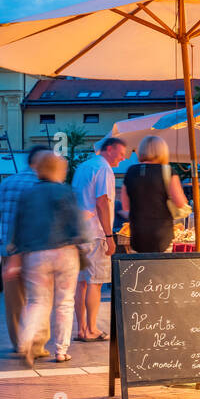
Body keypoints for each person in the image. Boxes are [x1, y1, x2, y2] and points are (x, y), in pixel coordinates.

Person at [11, 153, 86, 364]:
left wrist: (16, 255)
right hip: (65, 252)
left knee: (37, 301)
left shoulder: (27, 194)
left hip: (36, 254)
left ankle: (27, 342)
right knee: (65, 303)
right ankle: (61, 351)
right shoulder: (66, 191)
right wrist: (83, 243)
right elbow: (76, 222)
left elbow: (18, 226)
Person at [0, 147, 50, 355]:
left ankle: (19, 343)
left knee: (14, 300)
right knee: (41, 297)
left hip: (9, 249)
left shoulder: (7, 183)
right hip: (39, 250)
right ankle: (37, 344)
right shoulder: (45, 184)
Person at [72, 137, 129, 342]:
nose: (122, 159)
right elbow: (102, 202)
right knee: (94, 282)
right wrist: (109, 235)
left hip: (78, 231)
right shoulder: (104, 169)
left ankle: (81, 328)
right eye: (121, 154)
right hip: (95, 233)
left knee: (81, 283)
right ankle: (92, 329)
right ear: (110, 149)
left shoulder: (83, 167)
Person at [120, 136, 188, 253]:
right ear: (163, 151)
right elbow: (180, 202)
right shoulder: (167, 171)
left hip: (137, 235)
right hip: (162, 235)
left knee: (140, 270)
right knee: (161, 269)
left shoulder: (130, 171)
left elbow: (125, 206)